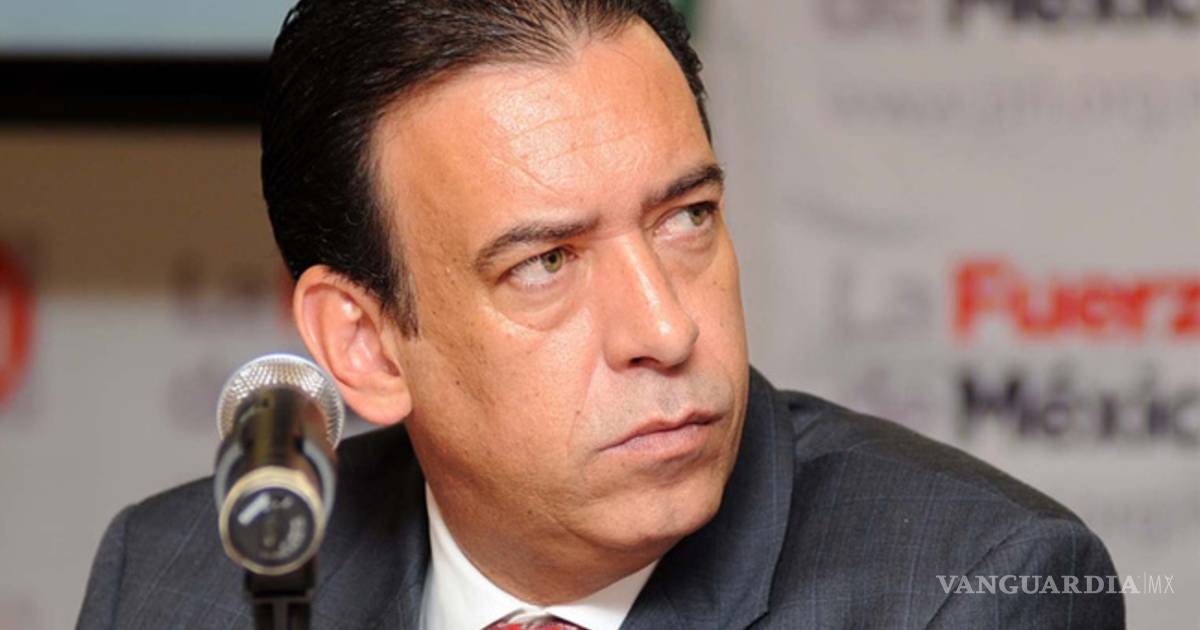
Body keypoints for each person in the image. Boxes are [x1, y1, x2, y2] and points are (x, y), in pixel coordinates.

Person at [77, 1, 1125, 628]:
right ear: (365, 346)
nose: (665, 331)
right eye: (546, 263)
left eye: (687, 218)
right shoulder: (179, 584)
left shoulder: (972, 592)